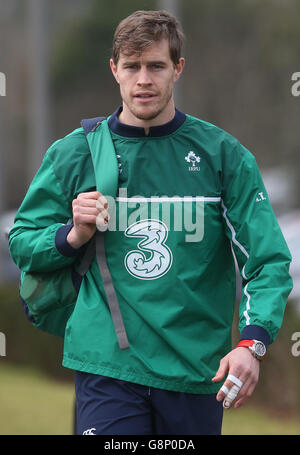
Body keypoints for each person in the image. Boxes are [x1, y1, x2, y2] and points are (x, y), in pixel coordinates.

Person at [9, 10, 293, 435]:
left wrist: (252, 345)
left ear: (177, 69)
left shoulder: (222, 156)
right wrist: (71, 235)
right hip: (108, 366)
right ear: (114, 70)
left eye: (156, 66)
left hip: (195, 371)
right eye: (132, 66)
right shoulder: (76, 153)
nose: (144, 79)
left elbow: (267, 261)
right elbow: (22, 240)